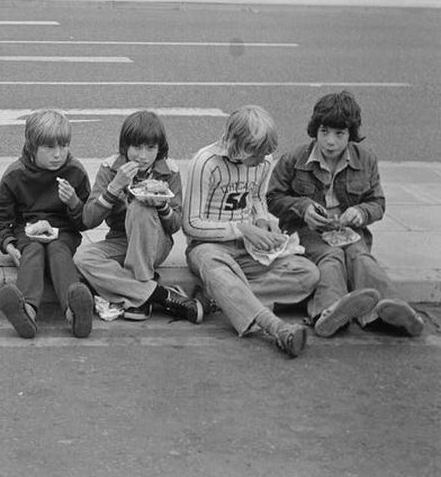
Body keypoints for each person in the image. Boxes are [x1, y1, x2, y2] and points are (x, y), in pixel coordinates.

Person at [267, 91, 425, 337]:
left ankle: (392, 310)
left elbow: (377, 203)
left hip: (348, 231)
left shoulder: (366, 160)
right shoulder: (294, 159)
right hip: (306, 231)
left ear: (351, 134)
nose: (330, 141)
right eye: (324, 132)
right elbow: (273, 198)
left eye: (339, 134)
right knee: (331, 257)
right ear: (315, 130)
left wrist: (360, 212)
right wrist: (303, 208)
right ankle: (327, 313)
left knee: (360, 257)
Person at [183, 105, 319, 357]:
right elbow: (191, 224)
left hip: (248, 248)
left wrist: (263, 221)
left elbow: (256, 198)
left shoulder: (263, 161)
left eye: (265, 153)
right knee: (214, 268)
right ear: (234, 142)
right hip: (208, 247)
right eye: (255, 153)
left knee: (307, 273)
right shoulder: (205, 163)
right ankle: (277, 328)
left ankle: (216, 298)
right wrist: (242, 229)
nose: (261, 159)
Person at [74, 111, 204, 323]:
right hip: (121, 240)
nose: (142, 156)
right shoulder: (111, 168)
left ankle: (138, 296)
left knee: (140, 208)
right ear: (125, 146)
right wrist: (114, 187)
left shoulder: (168, 171)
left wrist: (162, 205)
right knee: (82, 258)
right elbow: (88, 220)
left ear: (159, 149)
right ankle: (160, 295)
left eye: (150, 148)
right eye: (136, 147)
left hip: (156, 243)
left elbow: (175, 225)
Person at [0, 109, 93, 339]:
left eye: (63, 146)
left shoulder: (75, 171)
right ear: (32, 147)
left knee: (58, 250)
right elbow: (0, 220)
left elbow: (86, 221)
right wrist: (9, 246)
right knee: (33, 251)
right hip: (27, 232)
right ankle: (26, 311)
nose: (58, 154)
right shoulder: (15, 175)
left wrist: (74, 202)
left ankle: (74, 312)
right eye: (49, 147)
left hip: (64, 231)